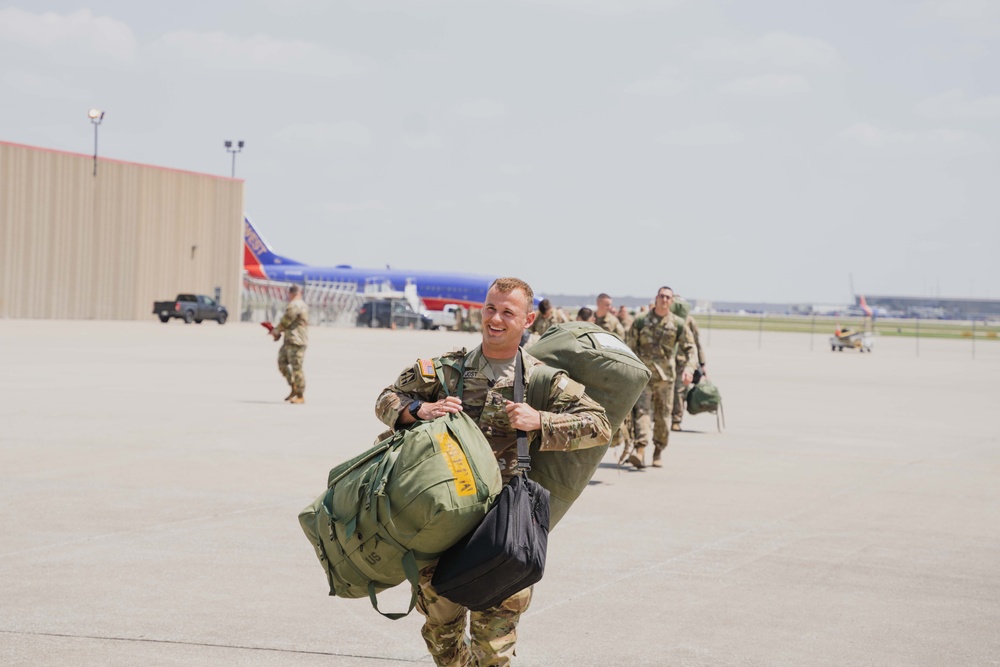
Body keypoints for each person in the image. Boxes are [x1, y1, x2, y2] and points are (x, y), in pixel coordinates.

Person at [375, 277, 611, 667]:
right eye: (490, 308)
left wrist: (542, 420)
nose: (495, 319)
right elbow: (386, 397)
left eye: (507, 312)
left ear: (528, 319)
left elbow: (599, 424)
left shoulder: (541, 380)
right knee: (442, 639)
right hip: (442, 525)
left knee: (493, 649)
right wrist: (417, 410)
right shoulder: (445, 371)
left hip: (502, 529)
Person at [625, 286, 696, 468]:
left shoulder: (678, 324)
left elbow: (690, 348)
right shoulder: (641, 321)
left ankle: (658, 450)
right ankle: (640, 450)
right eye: (661, 296)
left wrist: (689, 368)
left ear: (671, 302)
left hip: (666, 379)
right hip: (644, 377)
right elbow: (629, 348)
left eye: (668, 297)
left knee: (663, 417)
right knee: (642, 412)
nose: (664, 300)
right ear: (656, 298)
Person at [271, 284, 309, 403]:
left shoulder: (296, 305)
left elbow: (286, 320)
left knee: (297, 368)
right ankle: (294, 387)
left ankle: (300, 395)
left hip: (296, 341)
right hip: (289, 340)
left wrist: (276, 331)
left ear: (292, 293)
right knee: (282, 363)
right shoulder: (297, 304)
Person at [671, 312, 706, 431]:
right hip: (667, 362)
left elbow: (696, 343)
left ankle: (676, 420)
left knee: (679, 392)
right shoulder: (666, 319)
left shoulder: (689, 321)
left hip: (682, 362)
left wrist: (702, 363)